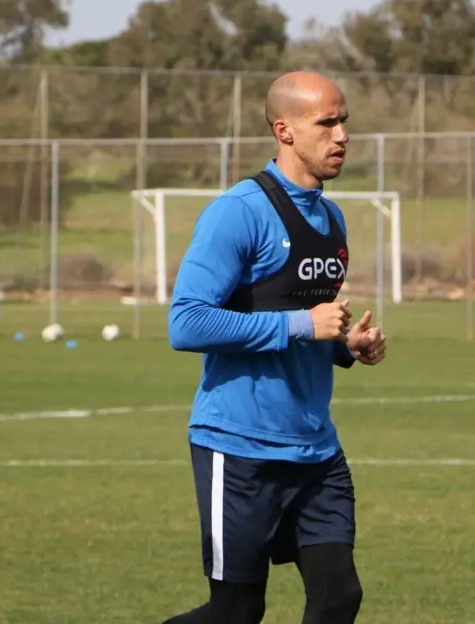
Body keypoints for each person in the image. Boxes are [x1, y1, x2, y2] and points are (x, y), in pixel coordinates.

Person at [162, 70, 387, 624]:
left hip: (315, 451)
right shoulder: (238, 212)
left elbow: (312, 324)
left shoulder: (330, 217)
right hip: (240, 448)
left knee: (339, 597)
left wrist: (346, 343)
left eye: (344, 122)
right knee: (236, 613)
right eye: (326, 123)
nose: (342, 135)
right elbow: (186, 323)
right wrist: (301, 326)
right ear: (284, 130)